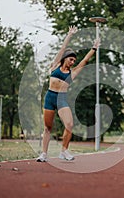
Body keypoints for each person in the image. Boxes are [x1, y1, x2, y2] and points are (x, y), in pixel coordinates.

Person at [37, 26, 100, 162]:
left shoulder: (72, 73)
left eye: (73, 61)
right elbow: (62, 47)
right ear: (65, 58)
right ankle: (43, 154)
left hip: (61, 99)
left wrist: (94, 48)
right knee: (47, 127)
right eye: (71, 59)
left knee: (69, 125)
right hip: (50, 97)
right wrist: (70, 34)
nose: (72, 62)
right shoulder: (54, 66)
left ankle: (64, 151)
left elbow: (85, 61)